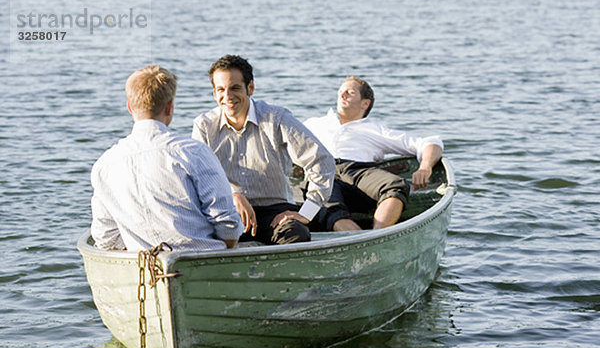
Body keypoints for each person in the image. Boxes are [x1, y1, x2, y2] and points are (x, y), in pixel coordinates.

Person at [91, 65, 244, 252]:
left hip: (142, 265)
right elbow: (227, 225)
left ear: (130, 107)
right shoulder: (193, 152)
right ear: (170, 106)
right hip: (201, 260)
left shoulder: (105, 165)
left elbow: (106, 238)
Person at [192, 55, 335, 245]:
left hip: (276, 213)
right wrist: (232, 195)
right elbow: (199, 178)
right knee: (195, 237)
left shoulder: (276, 118)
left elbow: (321, 160)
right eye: (220, 90)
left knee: (295, 233)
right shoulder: (204, 125)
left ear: (250, 87)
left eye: (235, 88)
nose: (227, 97)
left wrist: (306, 213)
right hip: (228, 212)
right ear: (214, 93)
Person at [304, 76, 443, 231]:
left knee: (396, 185)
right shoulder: (315, 124)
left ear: (365, 103)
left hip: (359, 171)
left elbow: (430, 143)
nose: (343, 96)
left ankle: (378, 235)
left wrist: (425, 167)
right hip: (323, 172)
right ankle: (357, 239)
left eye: (350, 92)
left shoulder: (373, 129)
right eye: (340, 92)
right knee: (326, 205)